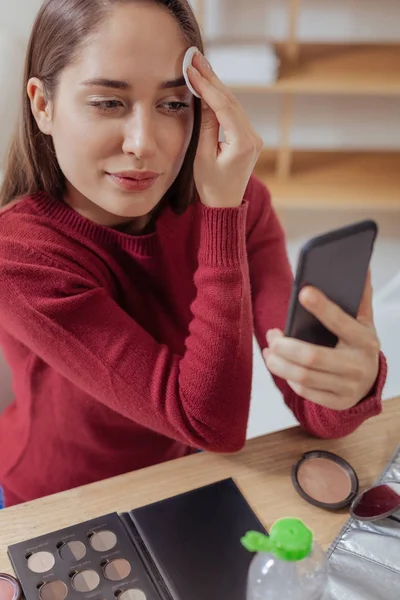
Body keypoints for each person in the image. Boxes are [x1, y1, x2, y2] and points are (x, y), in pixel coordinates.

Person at [0, 0, 386, 508]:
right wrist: (221, 217)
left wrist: (352, 384)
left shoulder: (242, 207)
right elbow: (211, 423)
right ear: (42, 105)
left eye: (173, 104)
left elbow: (315, 411)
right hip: (59, 501)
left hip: (180, 476)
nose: (144, 143)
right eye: (108, 102)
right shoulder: (19, 255)